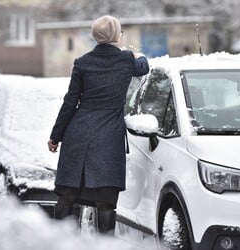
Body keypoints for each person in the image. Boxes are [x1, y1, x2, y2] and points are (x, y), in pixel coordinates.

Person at [48, 15, 149, 235]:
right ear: (116, 35)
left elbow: (70, 102)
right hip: (108, 136)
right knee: (105, 201)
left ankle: (59, 243)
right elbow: (144, 67)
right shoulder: (126, 60)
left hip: (78, 132)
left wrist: (56, 136)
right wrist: (137, 54)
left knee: (67, 195)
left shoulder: (82, 62)